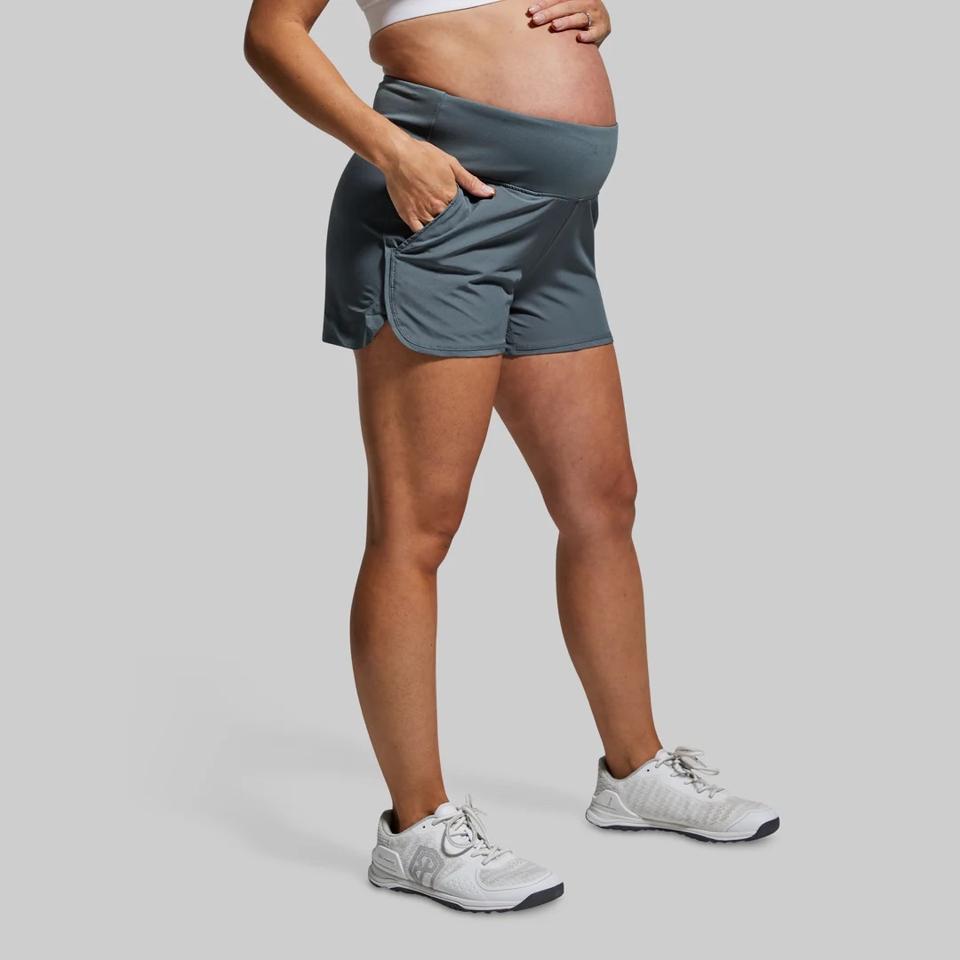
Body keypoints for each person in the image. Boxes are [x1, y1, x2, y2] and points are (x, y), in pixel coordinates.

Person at [244, 0, 779, 913]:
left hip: (558, 224)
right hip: (441, 212)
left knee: (603, 500)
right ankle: (415, 830)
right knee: (419, 527)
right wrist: (389, 147)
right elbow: (271, 33)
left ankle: (634, 769)